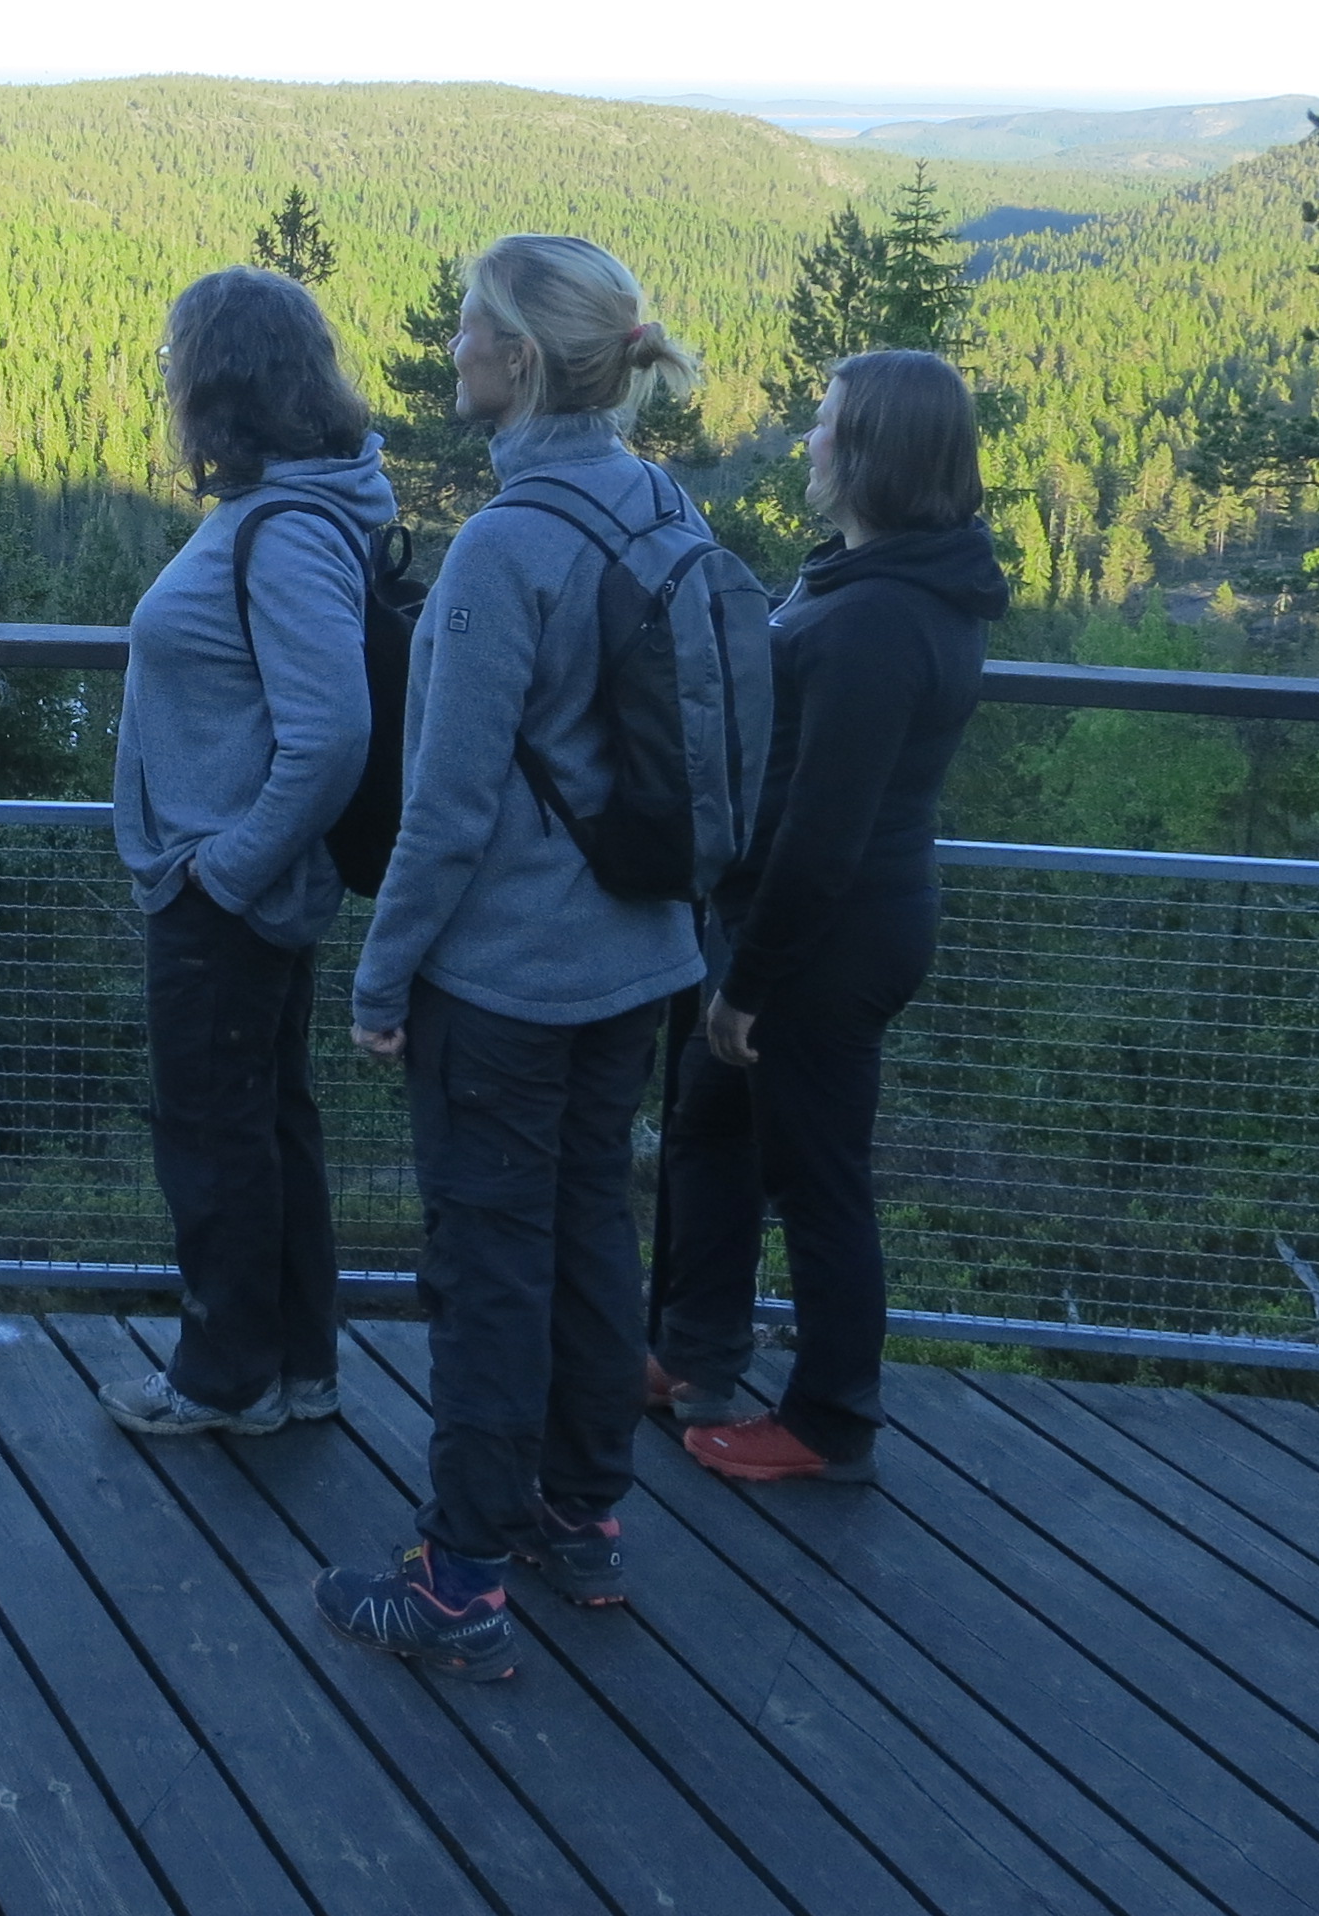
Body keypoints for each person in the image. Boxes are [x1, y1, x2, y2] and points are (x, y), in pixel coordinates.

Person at [313, 235, 746, 1677]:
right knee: (590, 1235)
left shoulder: (505, 548)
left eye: (466, 329)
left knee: (489, 1269)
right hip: (640, 962)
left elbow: (445, 807)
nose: (451, 350)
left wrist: (381, 979)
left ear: (516, 357)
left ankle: (459, 1578)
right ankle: (582, 1515)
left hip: (504, 981)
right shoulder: (657, 503)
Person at [655, 349, 1004, 1483]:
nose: (807, 440)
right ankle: (693, 1354)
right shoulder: (868, 578)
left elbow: (825, 831)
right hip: (798, 926)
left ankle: (828, 1420)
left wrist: (749, 984)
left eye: (825, 423)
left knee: (819, 1180)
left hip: (824, 941)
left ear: (872, 453)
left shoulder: (881, 619)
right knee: (709, 1132)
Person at [98, 268, 398, 1438]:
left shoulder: (283, 529)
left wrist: (224, 870)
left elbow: (330, 735)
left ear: (217, 380)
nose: (168, 382)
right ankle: (298, 1368)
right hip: (240, 885)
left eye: (176, 362)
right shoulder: (298, 505)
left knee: (214, 1137)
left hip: (227, 893)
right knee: (267, 1124)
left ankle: (224, 1379)